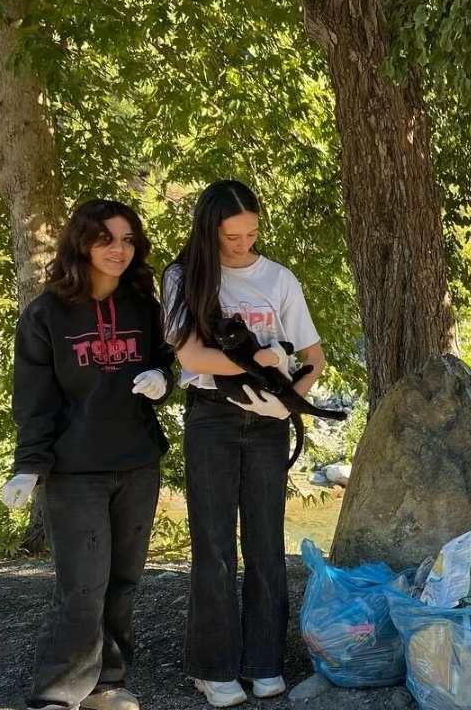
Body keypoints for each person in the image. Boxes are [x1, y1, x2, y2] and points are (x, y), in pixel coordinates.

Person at [2, 199, 175, 710]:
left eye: (126, 239)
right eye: (106, 239)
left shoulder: (145, 305)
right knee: (82, 584)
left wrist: (164, 377)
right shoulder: (46, 313)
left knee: (123, 580)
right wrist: (29, 466)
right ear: (82, 243)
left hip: (138, 464)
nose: (118, 250)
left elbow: (172, 355)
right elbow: (34, 397)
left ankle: (106, 682)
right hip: (75, 472)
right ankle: (57, 692)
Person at [163, 179, 327, 708]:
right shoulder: (183, 277)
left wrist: (290, 399)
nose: (244, 244)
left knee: (265, 542)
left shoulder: (278, 278)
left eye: (252, 233)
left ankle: (264, 661)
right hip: (211, 418)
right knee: (212, 545)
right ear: (210, 231)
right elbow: (192, 357)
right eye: (232, 237)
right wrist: (253, 361)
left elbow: (312, 356)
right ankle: (213, 665)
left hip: (269, 422)